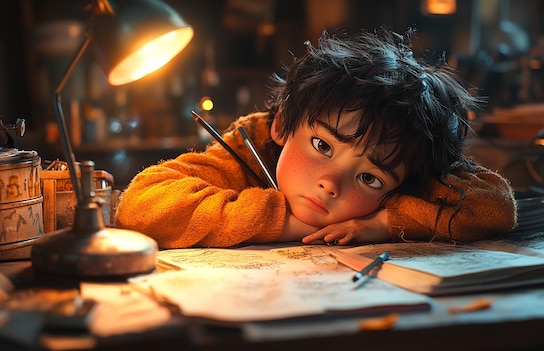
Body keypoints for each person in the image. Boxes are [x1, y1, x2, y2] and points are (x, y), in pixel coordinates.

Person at [115, 28, 517, 249]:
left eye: (369, 178)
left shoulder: (405, 158)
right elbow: (141, 206)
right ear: (284, 125)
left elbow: (494, 207)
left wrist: (386, 221)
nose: (331, 183)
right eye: (323, 146)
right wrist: (284, 222)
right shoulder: (247, 147)